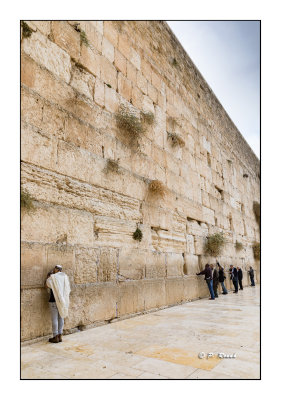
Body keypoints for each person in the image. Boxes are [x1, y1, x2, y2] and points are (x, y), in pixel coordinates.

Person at [45, 265, 71, 343]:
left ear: (56, 269)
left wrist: (48, 276)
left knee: (54, 319)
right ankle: (60, 336)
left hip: (54, 300)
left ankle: (55, 336)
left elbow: (46, 285)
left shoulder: (53, 277)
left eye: (54, 269)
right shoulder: (65, 277)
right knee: (61, 317)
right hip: (63, 301)